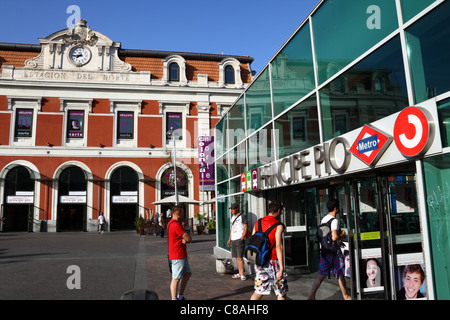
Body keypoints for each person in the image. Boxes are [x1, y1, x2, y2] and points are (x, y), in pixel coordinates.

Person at [308, 199, 351, 300]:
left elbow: (326, 237)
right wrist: (342, 235)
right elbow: (334, 237)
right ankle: (346, 296)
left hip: (324, 251)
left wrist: (338, 242)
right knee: (340, 273)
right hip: (334, 252)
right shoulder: (334, 220)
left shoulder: (323, 219)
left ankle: (312, 295)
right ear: (336, 208)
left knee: (321, 274)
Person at [250, 201, 288, 300]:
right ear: (279, 211)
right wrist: (282, 268)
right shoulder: (278, 225)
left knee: (259, 291)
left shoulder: (258, 222)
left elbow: (253, 240)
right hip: (273, 261)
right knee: (280, 292)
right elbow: (278, 246)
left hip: (260, 261)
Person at [167, 205, 192, 300]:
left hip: (180, 254)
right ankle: (174, 298)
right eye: (182, 212)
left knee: (187, 273)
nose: (183, 214)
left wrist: (183, 238)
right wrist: (185, 238)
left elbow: (180, 237)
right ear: (178, 213)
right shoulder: (176, 224)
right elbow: (188, 238)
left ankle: (180, 296)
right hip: (177, 255)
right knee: (176, 278)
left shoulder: (170, 223)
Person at [227, 203, 248, 281]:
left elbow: (246, 227)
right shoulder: (232, 217)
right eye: (231, 209)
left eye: (233, 209)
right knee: (236, 257)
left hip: (239, 239)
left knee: (240, 257)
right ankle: (240, 273)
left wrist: (242, 237)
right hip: (233, 239)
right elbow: (231, 229)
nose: (232, 210)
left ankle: (242, 274)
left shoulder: (242, 216)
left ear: (237, 208)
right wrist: (229, 239)